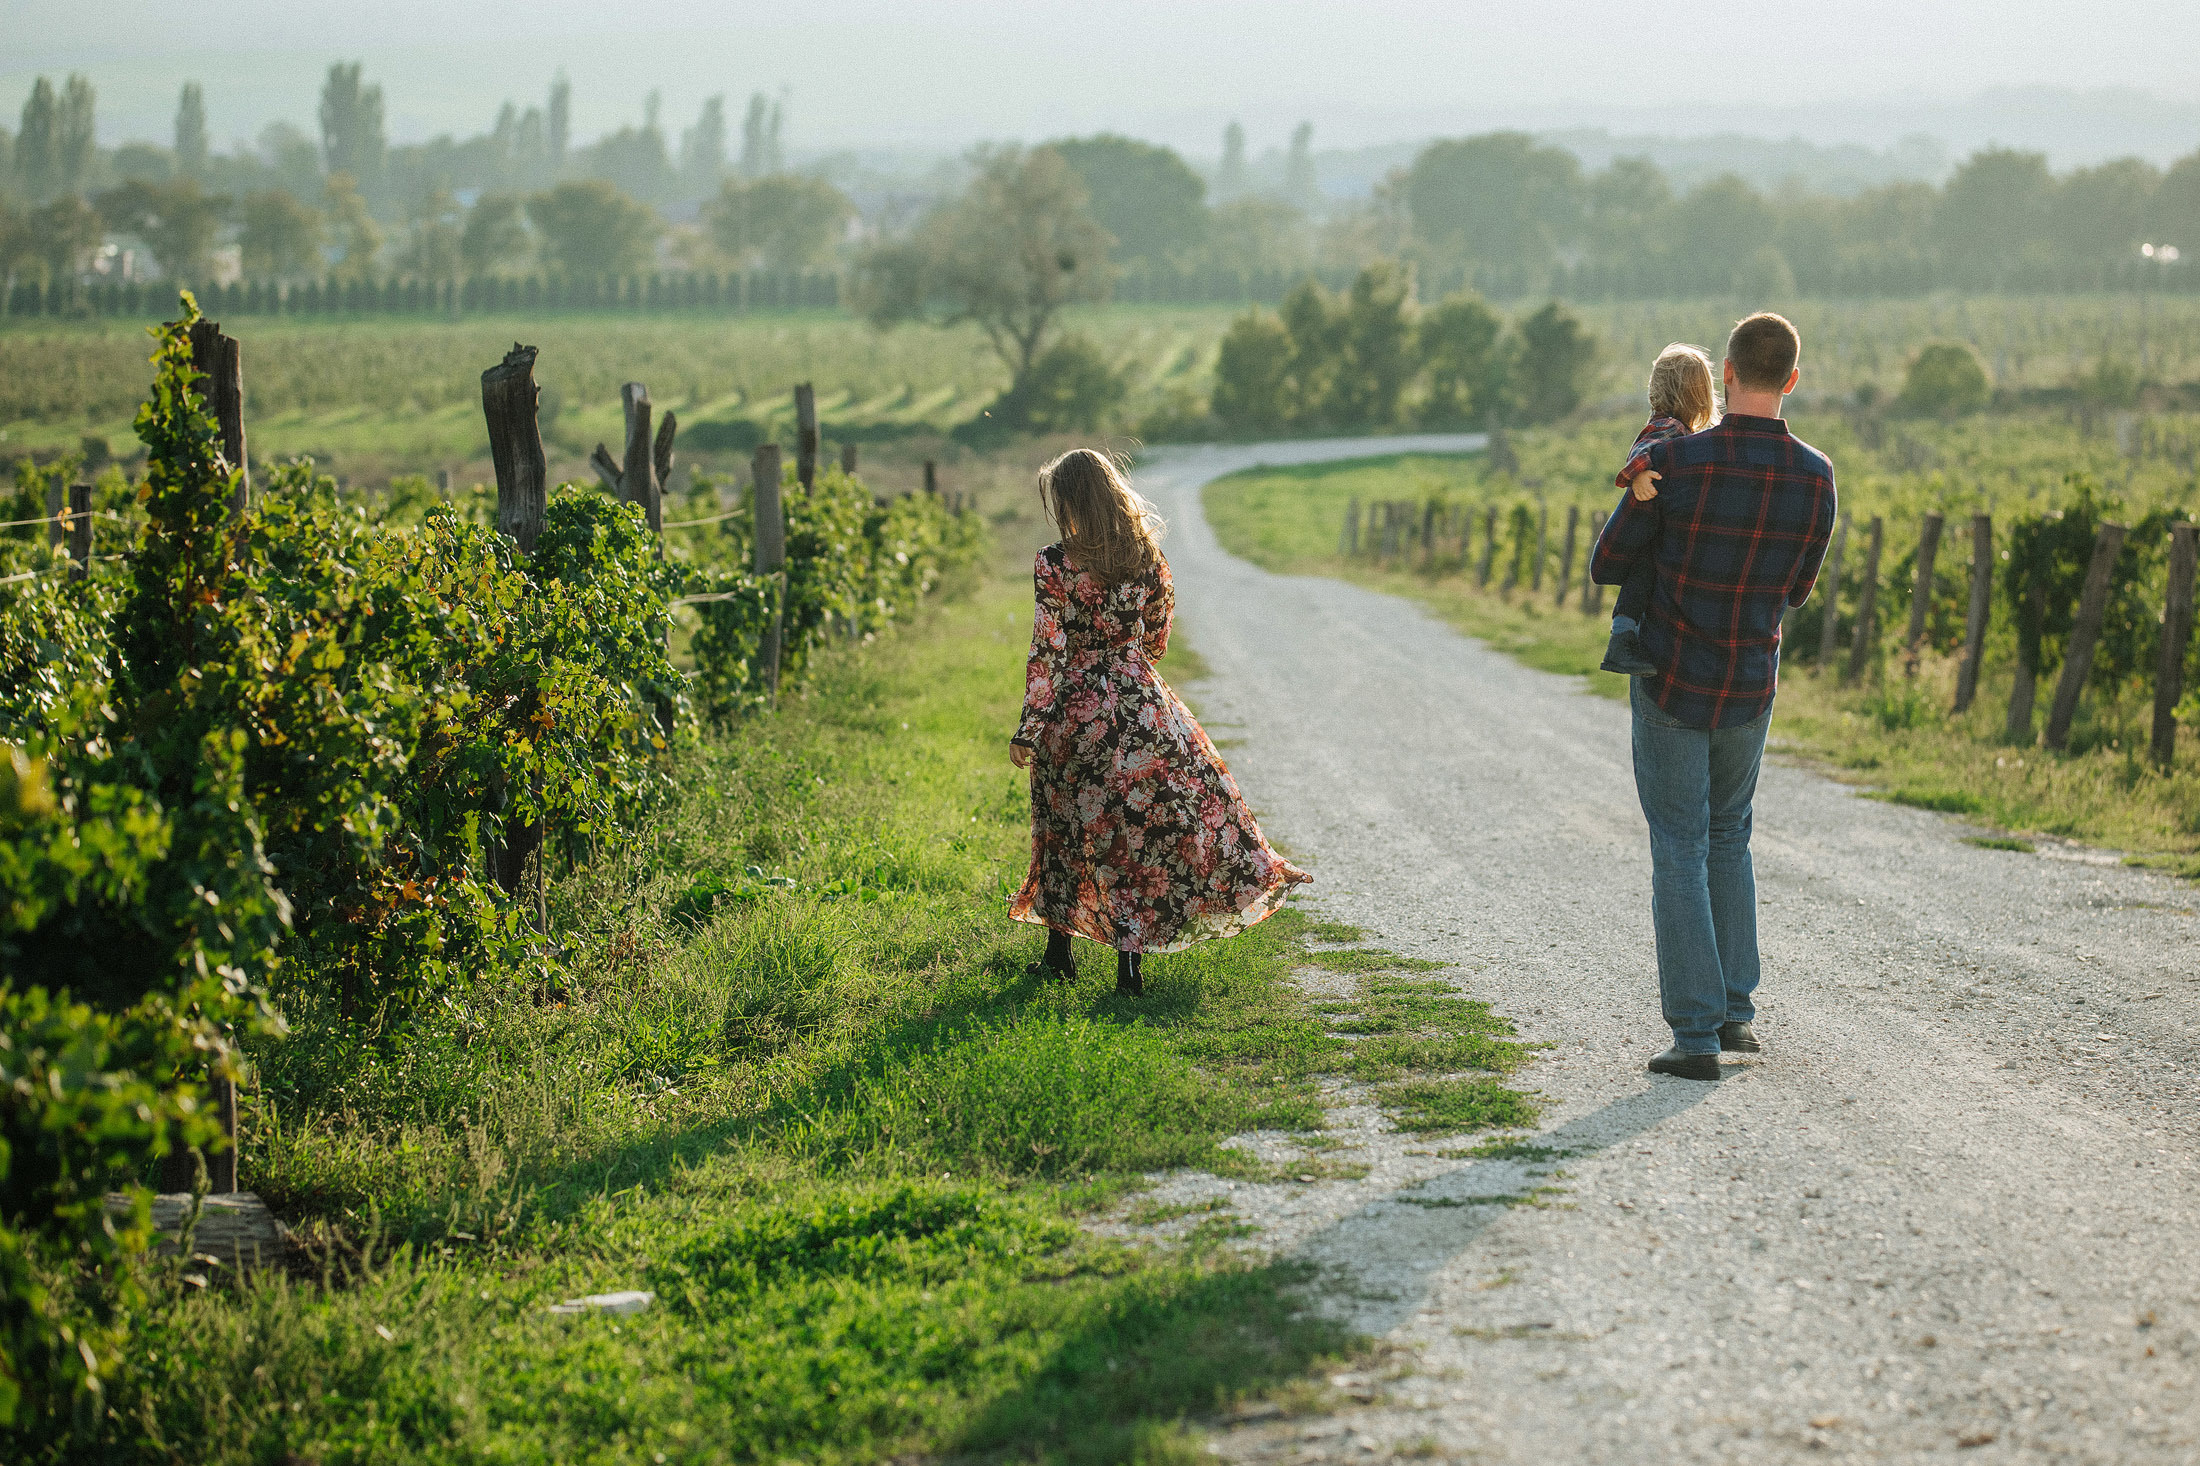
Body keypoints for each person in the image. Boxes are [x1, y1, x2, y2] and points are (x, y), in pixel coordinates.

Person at [1588, 313, 1836, 1081]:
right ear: (1791, 379)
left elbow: (1608, 563)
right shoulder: (1817, 476)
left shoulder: (1675, 461)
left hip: (1672, 676)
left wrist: (1637, 504)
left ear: (1726, 373)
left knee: (1680, 846)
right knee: (1730, 837)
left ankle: (1693, 1037)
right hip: (1750, 684)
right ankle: (1734, 1015)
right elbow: (1796, 594)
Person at [1009, 448, 1310, 995]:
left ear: (1070, 501)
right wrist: (1125, 659)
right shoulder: (1146, 558)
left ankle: (1059, 956)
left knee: (1065, 828)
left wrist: (1029, 728)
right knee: (1135, 836)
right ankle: (1129, 967)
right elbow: (1158, 637)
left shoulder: (1054, 563)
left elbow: (1047, 652)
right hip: (1142, 710)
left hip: (1076, 714)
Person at [1599, 343, 1722, 677]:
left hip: (1661, 524)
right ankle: (1621, 639)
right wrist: (1637, 473)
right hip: (1657, 527)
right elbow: (1643, 448)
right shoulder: (1668, 427)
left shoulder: (1685, 433)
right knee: (1642, 574)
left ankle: (1624, 637)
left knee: (1643, 576)